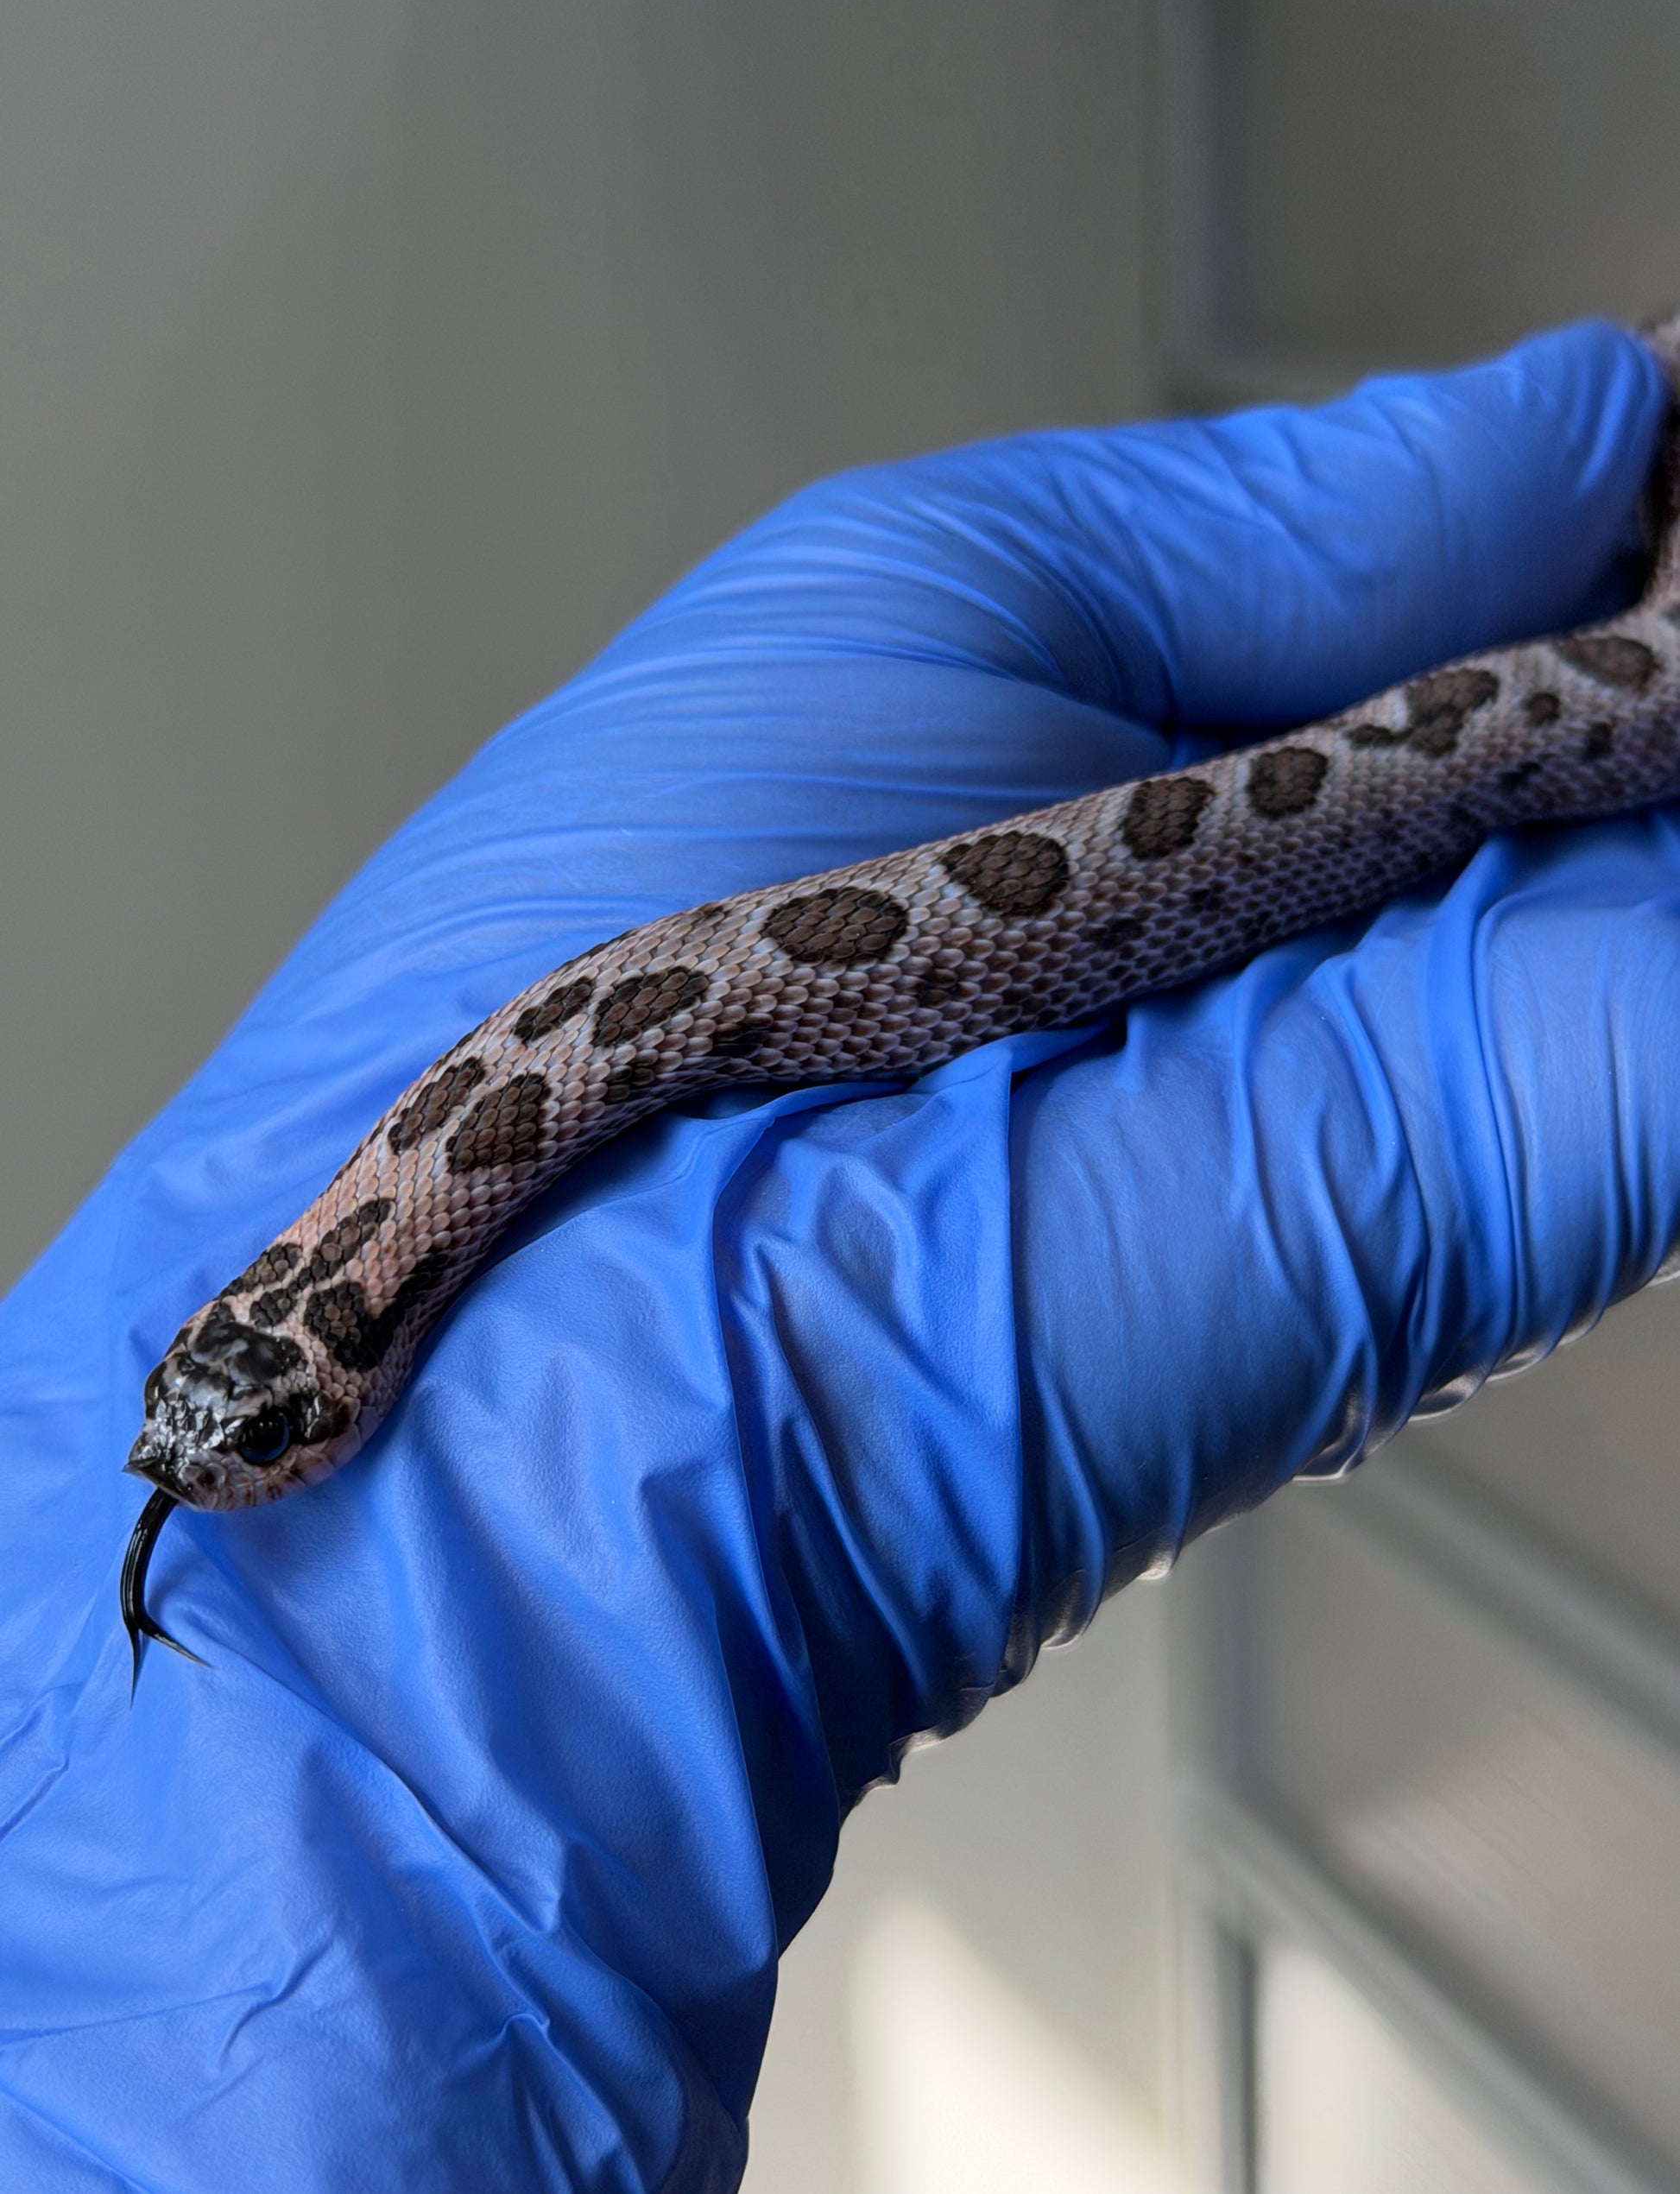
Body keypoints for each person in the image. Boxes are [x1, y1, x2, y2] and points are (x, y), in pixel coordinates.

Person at [0, 319, 1675, 2193]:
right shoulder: (365, 1253)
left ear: (299, 1316)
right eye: (234, 1432)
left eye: (247, 1423)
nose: (198, 1463)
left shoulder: (413, 1225)